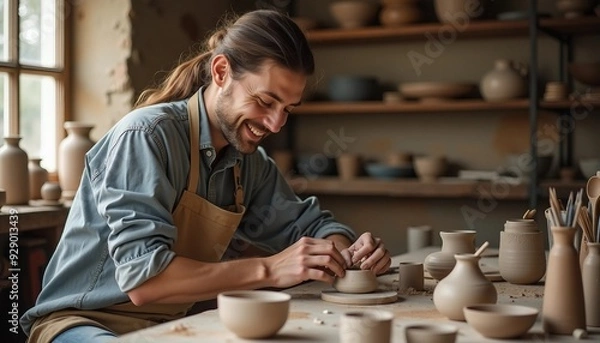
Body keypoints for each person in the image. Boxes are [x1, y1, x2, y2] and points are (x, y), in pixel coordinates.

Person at [21, 9, 391, 342]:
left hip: (168, 325)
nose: (276, 123)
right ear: (220, 71)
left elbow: (308, 225)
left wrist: (349, 250)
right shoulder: (147, 137)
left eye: (287, 109)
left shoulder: (250, 163)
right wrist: (270, 269)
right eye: (265, 102)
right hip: (84, 323)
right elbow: (144, 281)